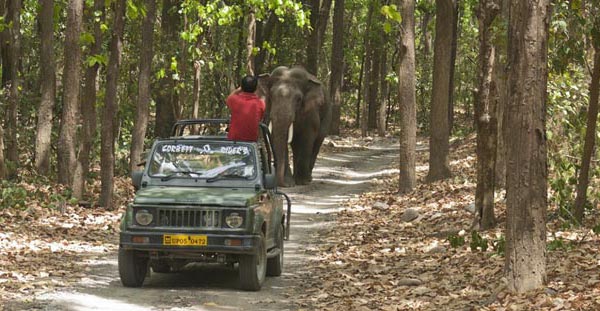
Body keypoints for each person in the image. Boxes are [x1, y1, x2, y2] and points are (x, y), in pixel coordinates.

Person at [225, 75, 266, 141]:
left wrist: (239, 89)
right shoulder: (260, 103)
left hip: (234, 139)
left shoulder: (234, 100)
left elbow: (229, 97)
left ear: (242, 87)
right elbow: (259, 118)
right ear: (255, 88)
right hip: (251, 140)